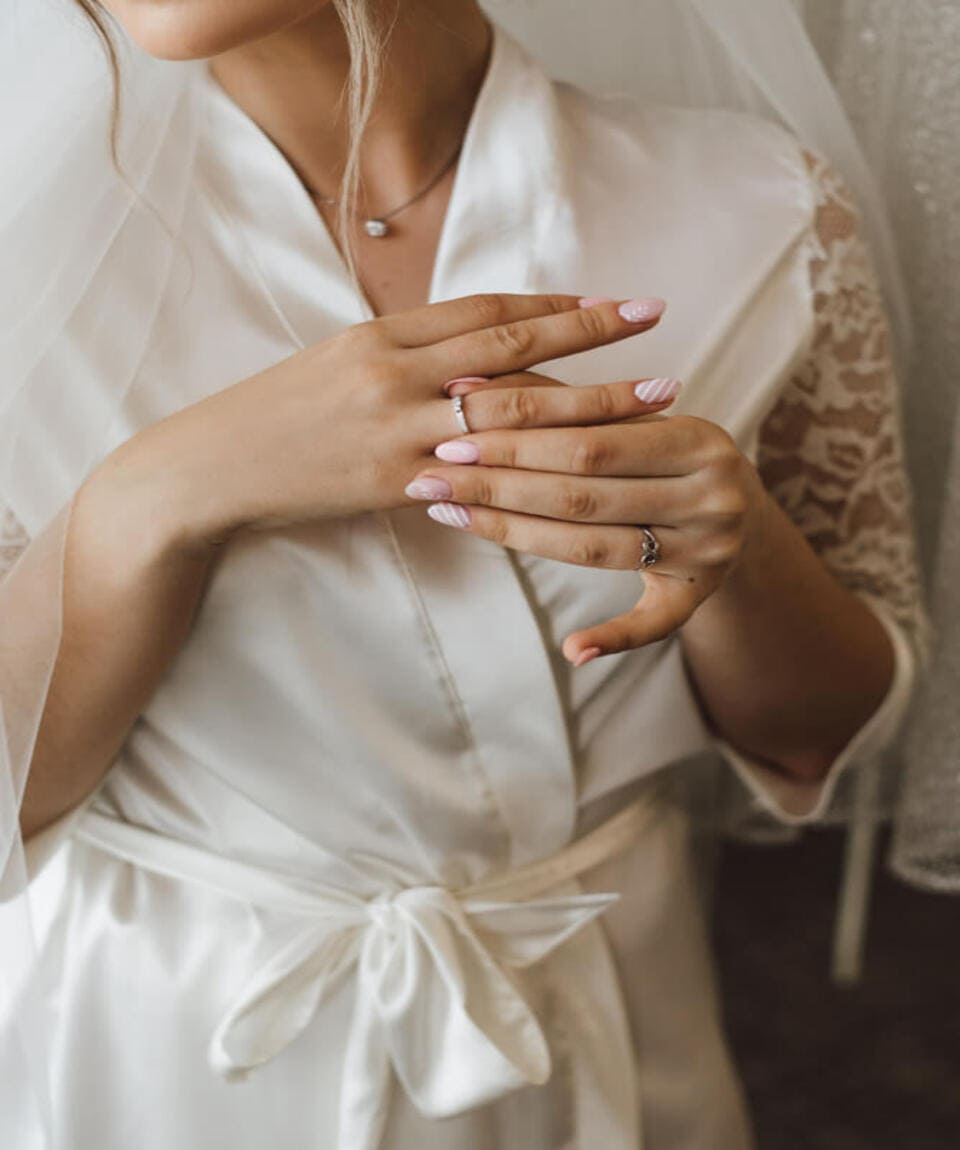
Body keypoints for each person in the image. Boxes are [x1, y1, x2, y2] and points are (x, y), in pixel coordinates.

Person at [0, 1, 928, 1147]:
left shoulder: (761, 209)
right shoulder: (20, 230)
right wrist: (155, 500)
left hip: (604, 1048)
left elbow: (822, 738)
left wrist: (733, 547)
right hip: (153, 1061)